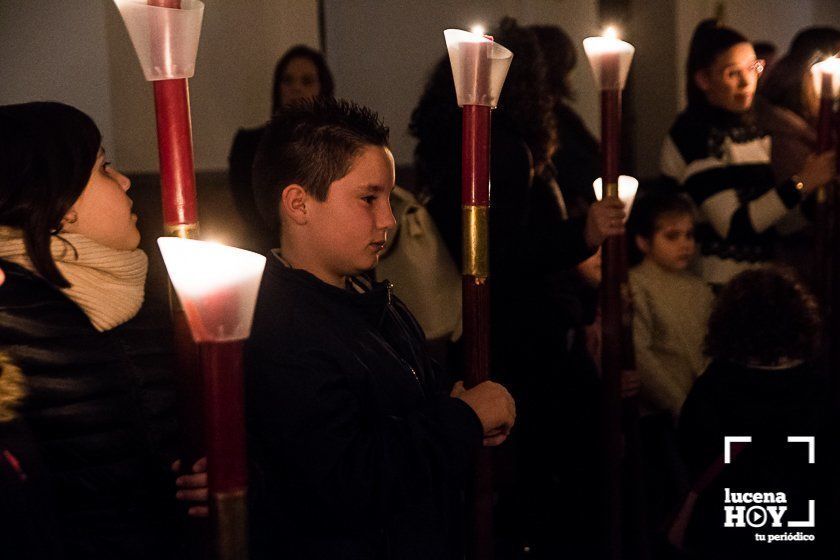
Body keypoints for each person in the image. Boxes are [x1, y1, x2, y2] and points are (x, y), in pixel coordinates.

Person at [244, 97, 516, 560]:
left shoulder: (368, 299)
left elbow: (409, 407)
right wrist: (463, 419)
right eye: (369, 198)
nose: (388, 219)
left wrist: (456, 407)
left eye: (388, 198)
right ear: (298, 203)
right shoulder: (279, 327)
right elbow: (347, 480)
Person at [0, 102, 206, 559]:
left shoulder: (151, 292)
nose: (126, 181)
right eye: (105, 168)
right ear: (61, 204)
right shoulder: (7, 314)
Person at [660, 19, 836, 286]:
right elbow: (732, 225)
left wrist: (816, 194)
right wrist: (803, 182)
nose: (747, 82)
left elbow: (774, 217)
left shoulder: (752, 130)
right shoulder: (693, 134)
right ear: (703, 79)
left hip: (759, 279)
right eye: (733, 73)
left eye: (753, 68)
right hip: (713, 283)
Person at [678, 267, 837, 559]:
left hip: (726, 533)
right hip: (805, 530)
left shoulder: (715, 384)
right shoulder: (820, 386)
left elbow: (691, 451)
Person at [228, 45, 335, 252]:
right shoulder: (248, 144)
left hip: (325, 248)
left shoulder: (337, 145)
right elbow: (248, 208)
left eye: (307, 81)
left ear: (322, 87)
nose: (296, 88)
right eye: (288, 80)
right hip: (267, 249)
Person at [629, 193, 714, 421]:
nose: (685, 244)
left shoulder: (699, 288)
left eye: (689, 235)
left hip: (702, 404)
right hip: (658, 414)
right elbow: (642, 357)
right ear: (643, 241)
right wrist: (680, 404)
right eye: (672, 236)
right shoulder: (636, 285)